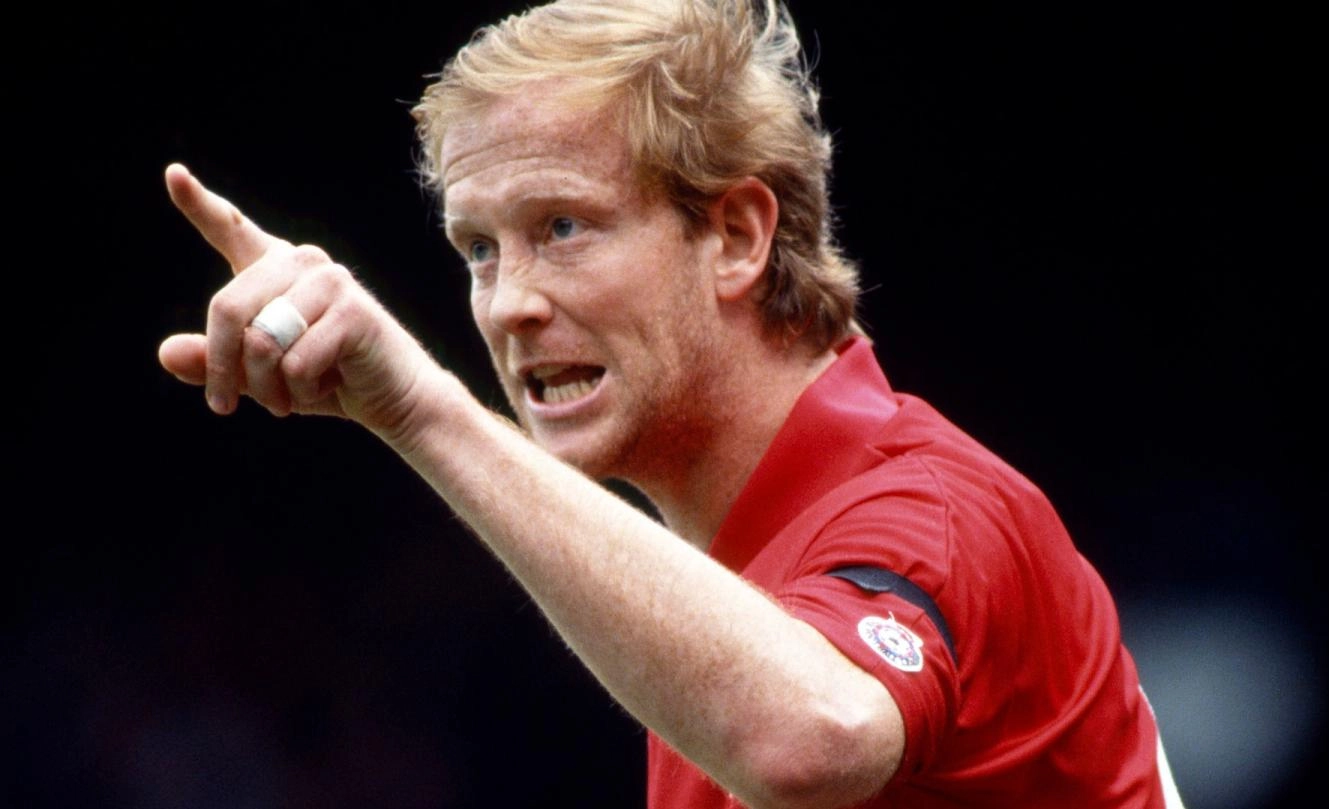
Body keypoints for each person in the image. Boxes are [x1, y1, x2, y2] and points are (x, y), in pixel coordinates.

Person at [159, 0, 1184, 806]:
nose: (509, 304)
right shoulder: (712, 599)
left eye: (563, 226)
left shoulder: (932, 510)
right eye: (479, 247)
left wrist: (423, 410)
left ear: (736, 236)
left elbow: (816, 738)